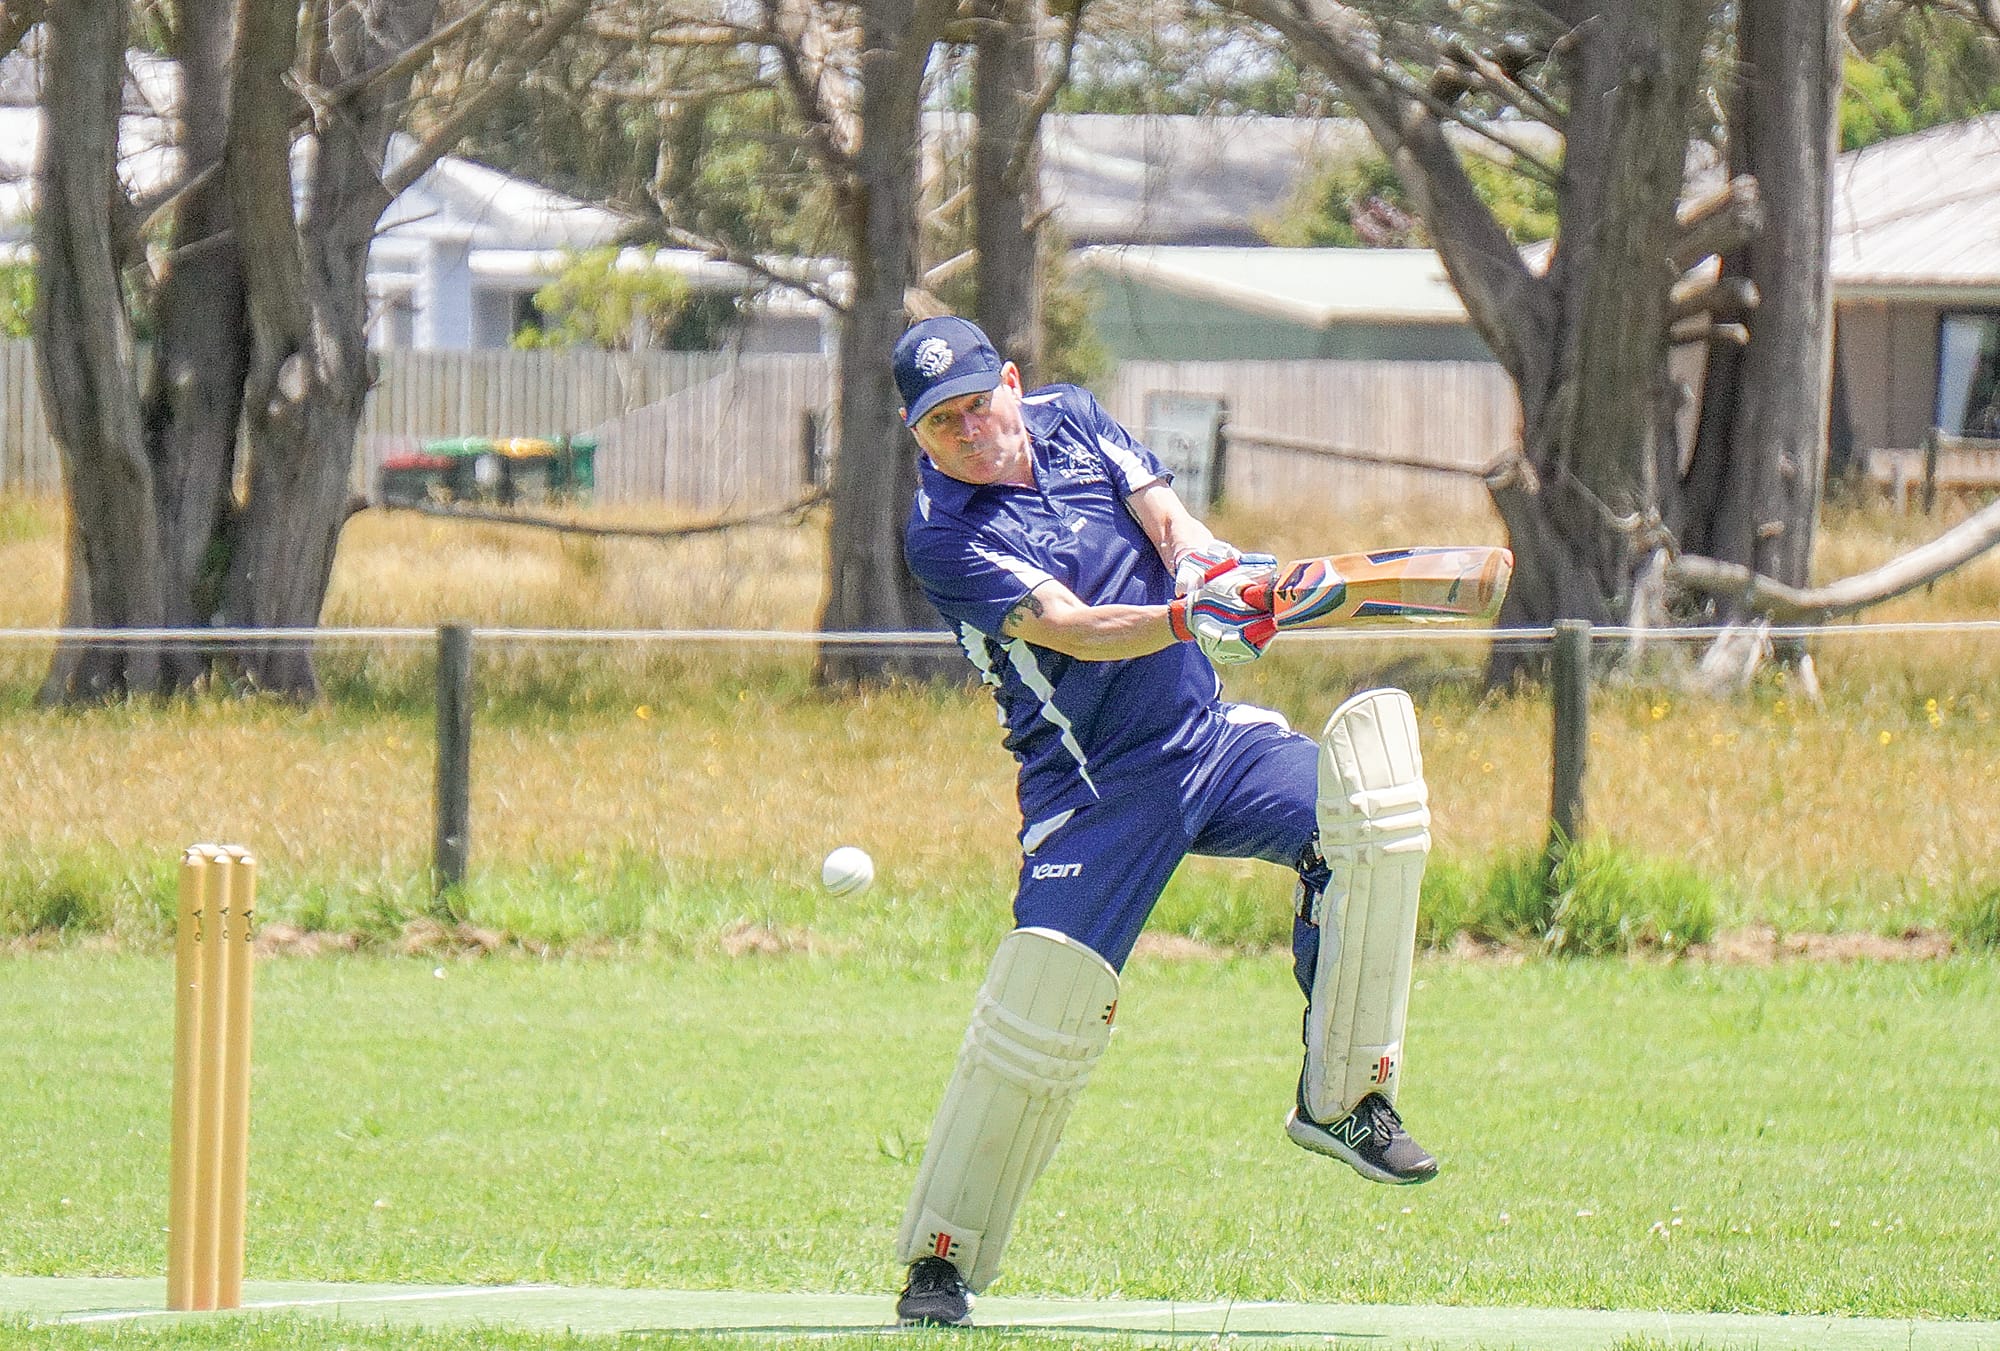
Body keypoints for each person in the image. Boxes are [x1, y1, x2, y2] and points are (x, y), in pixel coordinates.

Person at [887, 316, 1438, 1328]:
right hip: (1092, 792)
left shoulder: (1071, 420)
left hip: (1209, 741)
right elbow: (1069, 630)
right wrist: (1193, 618)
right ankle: (941, 1256)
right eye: (942, 425)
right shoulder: (942, 533)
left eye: (977, 404)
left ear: (1009, 382)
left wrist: (1213, 571)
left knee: (1364, 818)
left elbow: (1169, 522)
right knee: (1041, 1003)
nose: (970, 432)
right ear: (917, 437)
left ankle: (1342, 1100)